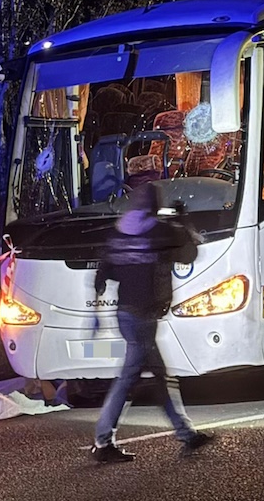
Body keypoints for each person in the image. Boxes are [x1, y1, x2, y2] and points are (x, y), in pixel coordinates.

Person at [90, 184, 213, 463]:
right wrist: (182, 220)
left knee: (158, 376)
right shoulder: (158, 230)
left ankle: (186, 433)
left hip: (126, 314)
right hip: (143, 318)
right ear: (154, 205)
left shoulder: (119, 231)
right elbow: (189, 253)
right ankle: (103, 440)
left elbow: (103, 273)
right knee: (129, 380)